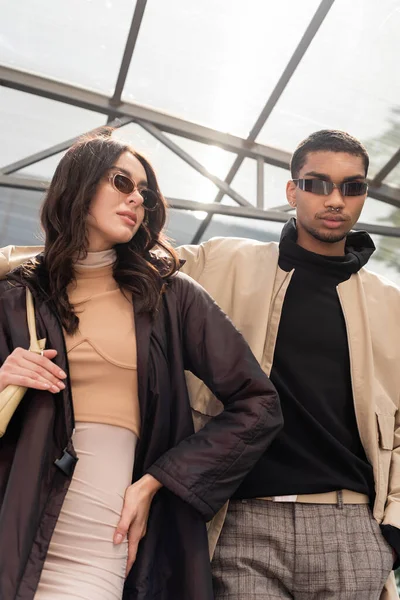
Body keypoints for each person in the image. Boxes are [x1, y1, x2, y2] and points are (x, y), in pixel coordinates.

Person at [0, 130, 283, 600]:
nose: (136, 199)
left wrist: (157, 481)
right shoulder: (15, 297)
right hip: (14, 519)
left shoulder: (170, 295)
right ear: (79, 184)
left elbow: (259, 403)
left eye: (144, 193)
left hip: (104, 534)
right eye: (121, 183)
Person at [178, 130, 400, 600]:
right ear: (292, 190)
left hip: (350, 528)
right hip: (241, 521)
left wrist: (393, 530)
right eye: (318, 183)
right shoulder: (223, 261)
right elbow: (117, 268)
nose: (335, 199)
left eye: (352, 186)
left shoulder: (389, 304)